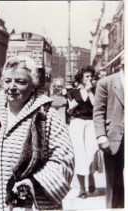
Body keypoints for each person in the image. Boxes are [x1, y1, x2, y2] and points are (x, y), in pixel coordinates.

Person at [0, 55, 74, 210]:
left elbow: (64, 160)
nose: (12, 87)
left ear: (33, 85)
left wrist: (34, 182)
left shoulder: (46, 115)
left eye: (20, 82)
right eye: (8, 81)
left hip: (30, 202)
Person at [93, 56, 124, 208]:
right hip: (113, 139)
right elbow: (98, 111)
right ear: (123, 61)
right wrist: (101, 135)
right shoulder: (106, 83)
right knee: (113, 181)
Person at [66, 65, 100, 199]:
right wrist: (71, 108)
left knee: (92, 152)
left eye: (91, 76)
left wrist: (90, 91)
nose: (90, 78)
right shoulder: (72, 93)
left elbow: (97, 106)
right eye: (87, 76)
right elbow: (68, 113)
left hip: (91, 123)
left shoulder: (95, 91)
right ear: (81, 78)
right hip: (77, 124)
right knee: (79, 154)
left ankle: (91, 177)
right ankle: (81, 189)